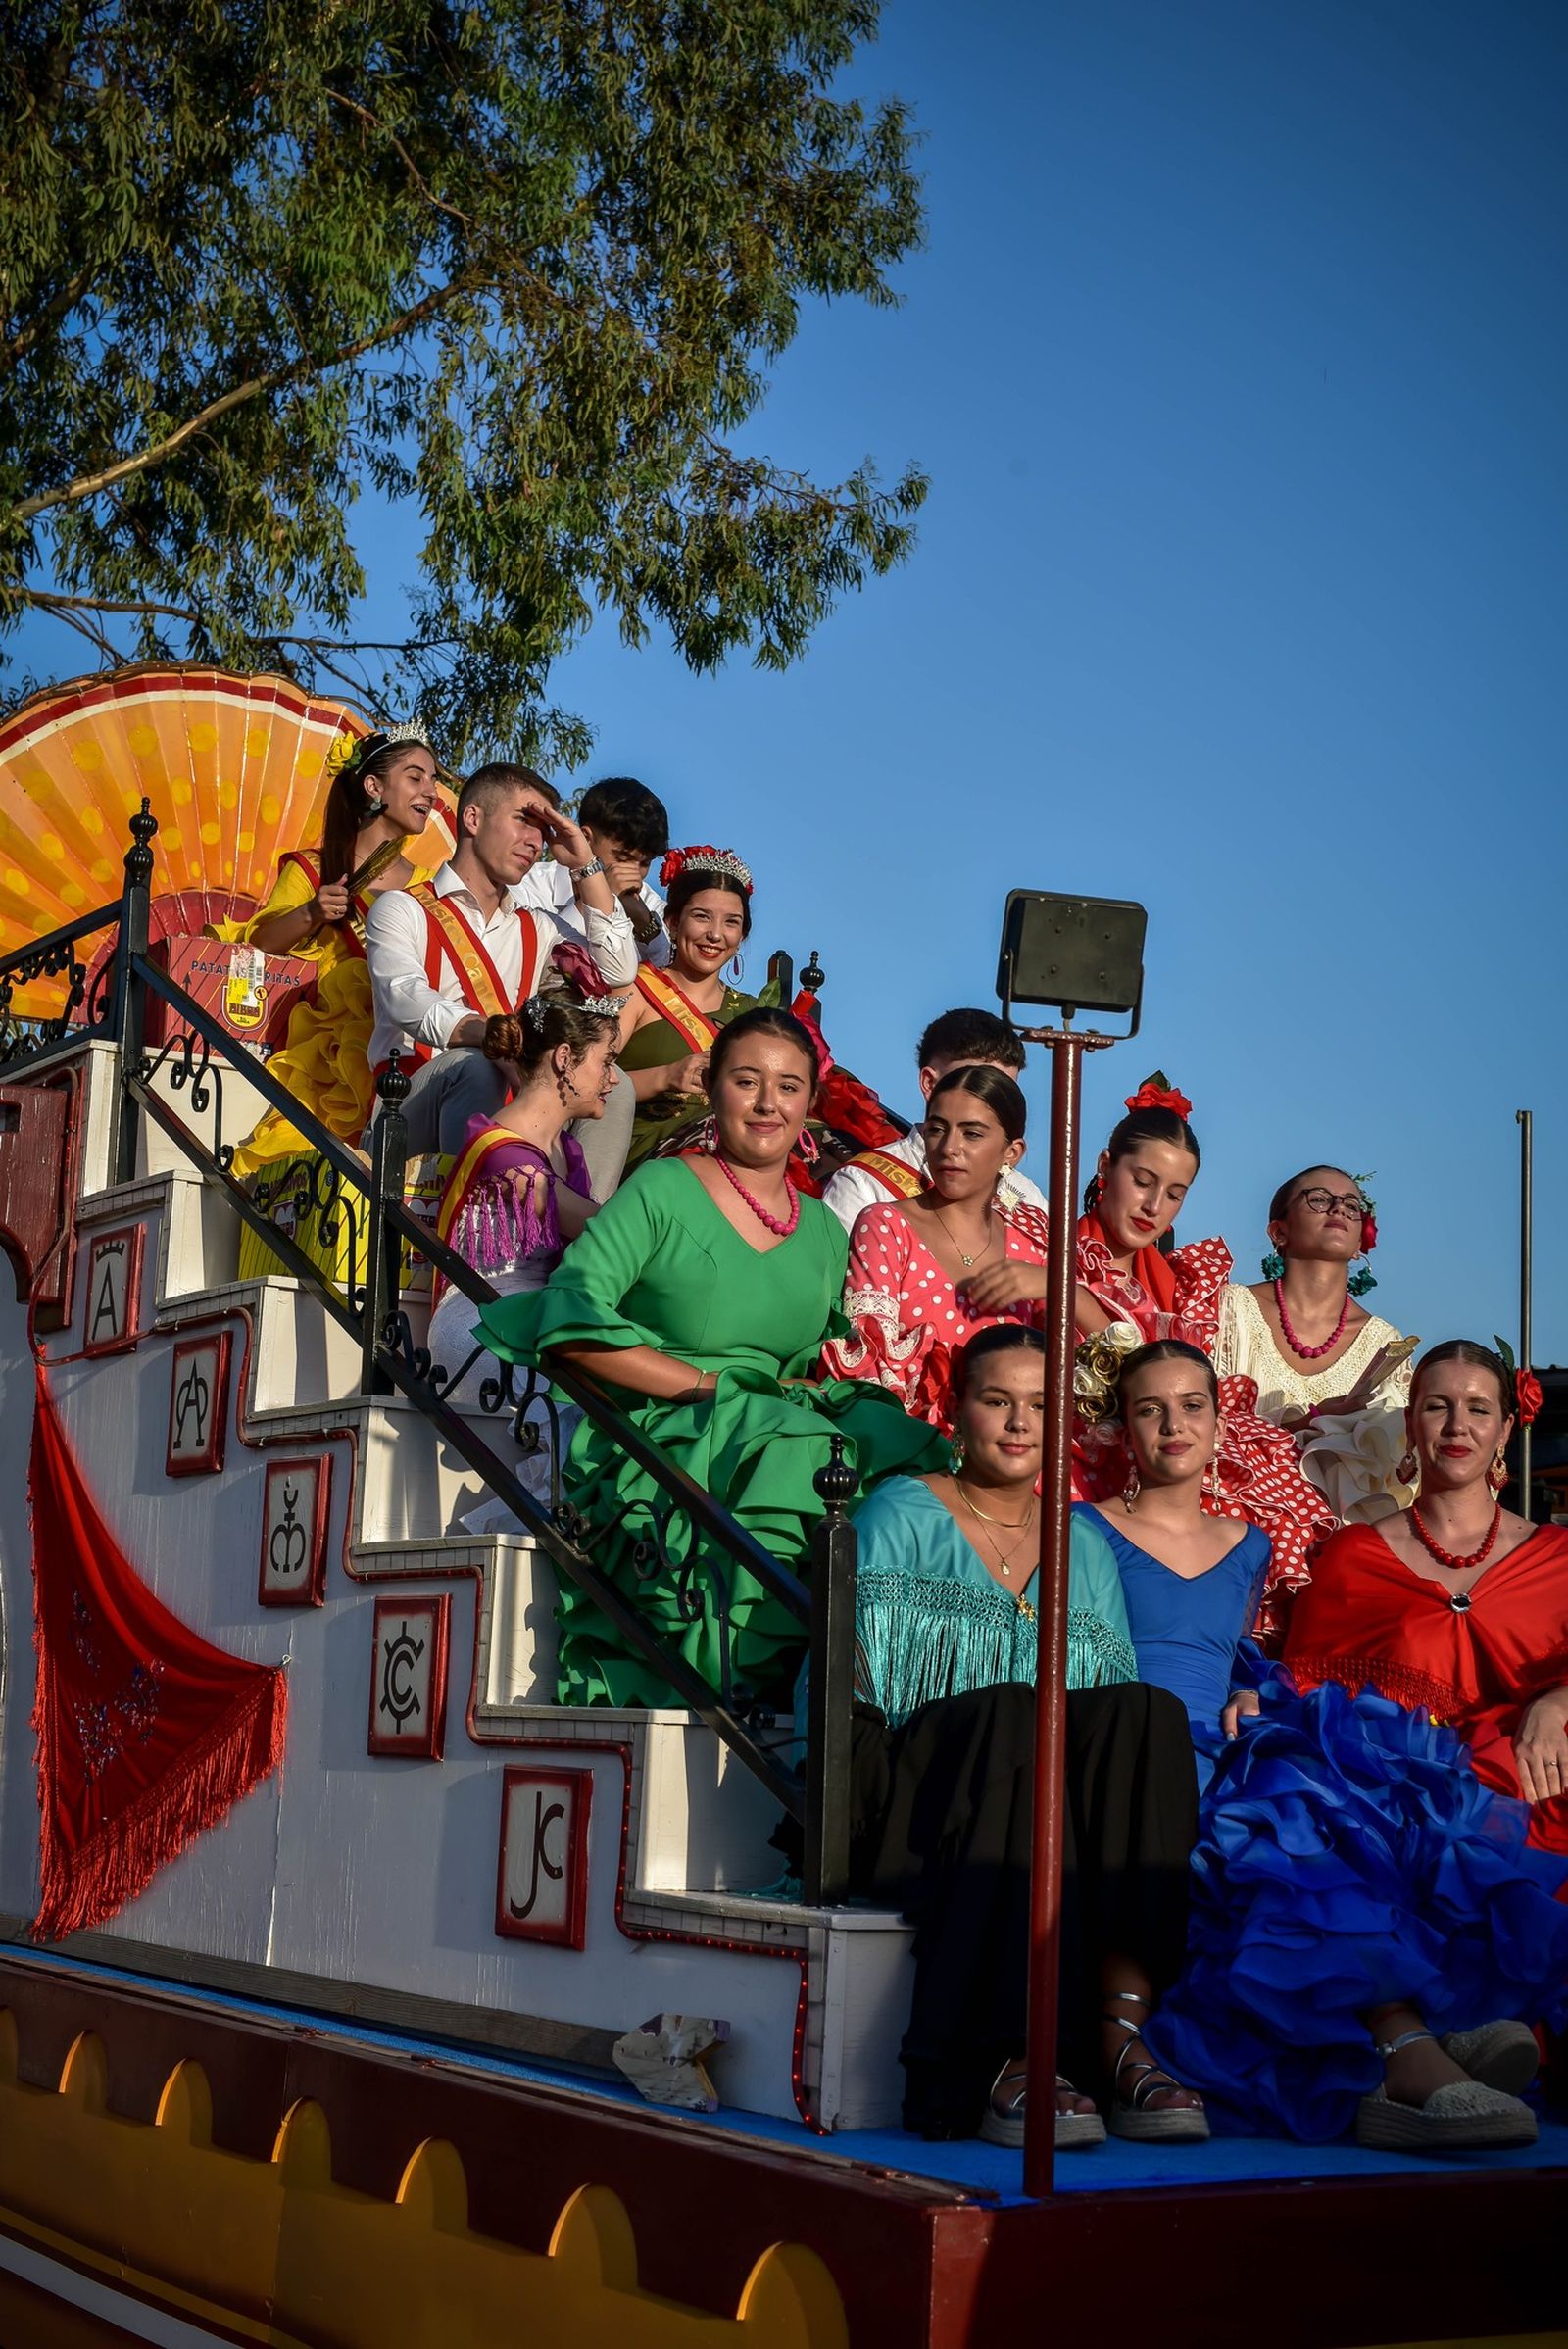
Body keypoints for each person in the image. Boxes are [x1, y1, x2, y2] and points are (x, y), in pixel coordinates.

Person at [1100, 1337, 1568, 2151]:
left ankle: (1455, 2027)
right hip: (1397, 1777)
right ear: (1411, 1428)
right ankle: (1424, 2040)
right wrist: (1261, 1692)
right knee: (1322, 1801)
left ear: (1505, 1433)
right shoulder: (1352, 1553)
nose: (1457, 1424)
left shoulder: (1562, 1556)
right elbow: (1306, 1681)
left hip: (1527, 1777)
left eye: (1478, 1409)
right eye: (1436, 1405)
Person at [474, 1006, 946, 1709]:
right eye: (747, 1080)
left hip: (767, 1430)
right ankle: (741, 1667)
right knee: (797, 1454)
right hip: (652, 1424)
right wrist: (703, 1386)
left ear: (811, 1104)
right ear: (713, 1088)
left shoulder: (822, 1227)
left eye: (788, 1087)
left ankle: (872, 1685)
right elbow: (570, 1320)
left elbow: (814, 1361)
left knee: (914, 1457)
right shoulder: (661, 1189)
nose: (767, 1103)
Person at [835, 1326, 1206, 2147]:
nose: (1017, 1423)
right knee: (1013, 1711)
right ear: (956, 1410)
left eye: (1040, 1406)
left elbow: (1103, 1724)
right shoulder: (900, 1511)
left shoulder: (1080, 1544)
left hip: (1039, 1811)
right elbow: (851, 1702)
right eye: (997, 1400)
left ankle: (1116, 2034)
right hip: (914, 1804)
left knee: (1149, 1710)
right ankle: (1003, 2055)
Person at [364, 763, 638, 1194]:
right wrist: (488, 1033)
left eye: (544, 831)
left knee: (615, 1087)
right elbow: (407, 997)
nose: (535, 842)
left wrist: (586, 864)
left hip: (519, 1108)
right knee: (475, 1066)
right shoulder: (402, 908)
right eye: (524, 821)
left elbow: (618, 971)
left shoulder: (540, 927)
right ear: (473, 819)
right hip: (407, 1110)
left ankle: (587, 1245)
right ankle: (472, 1233)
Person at [226, 728, 448, 1177]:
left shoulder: (432, 883)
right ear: (374, 787)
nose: (432, 790)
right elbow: (258, 945)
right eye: (415, 777)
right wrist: (312, 912)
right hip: (336, 1045)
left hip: (411, 1039)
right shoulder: (314, 867)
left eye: (434, 779)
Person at [425, 997, 622, 1495]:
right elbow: (604, 1231)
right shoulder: (503, 1152)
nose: (614, 1079)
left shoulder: (567, 1149)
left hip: (538, 1316)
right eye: (607, 1061)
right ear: (564, 1059)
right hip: (480, 1325)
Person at [819, 1066, 1050, 1429]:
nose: (949, 1148)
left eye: (971, 1133)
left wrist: (1062, 1289)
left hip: (1017, 1452)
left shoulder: (1036, 1241)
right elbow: (868, 1368)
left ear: (1012, 1152)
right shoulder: (886, 1226)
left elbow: (1095, 1367)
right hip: (910, 1445)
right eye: (937, 1130)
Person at [1215, 1165, 1417, 1531]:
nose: (1338, 1209)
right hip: (1230, 1529)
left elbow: (1398, 1467)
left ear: (1360, 1244)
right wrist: (1308, 1422)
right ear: (1279, 1231)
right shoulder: (1229, 1311)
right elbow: (1193, 1423)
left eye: (1352, 1205)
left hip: (1340, 1548)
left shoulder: (1386, 1343)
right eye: (1320, 1199)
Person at [820, 1008, 1047, 1233]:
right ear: (929, 1083)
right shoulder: (864, 1185)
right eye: (973, 1084)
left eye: (1004, 1092)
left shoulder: (1028, 1197)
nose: (989, 1102)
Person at [615, 844, 760, 1169]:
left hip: (736, 1154)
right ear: (673, 922)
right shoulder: (636, 990)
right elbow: (589, 1084)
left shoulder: (753, 1014)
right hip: (648, 1156)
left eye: (731, 923)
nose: (715, 934)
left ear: (742, 936)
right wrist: (667, 1076)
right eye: (701, 917)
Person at [515, 774, 671, 968]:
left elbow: (666, 974)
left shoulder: (647, 902)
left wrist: (644, 924)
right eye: (623, 859)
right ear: (585, 838)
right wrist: (597, 897)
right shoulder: (529, 886)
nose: (634, 874)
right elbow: (529, 959)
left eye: (645, 863)